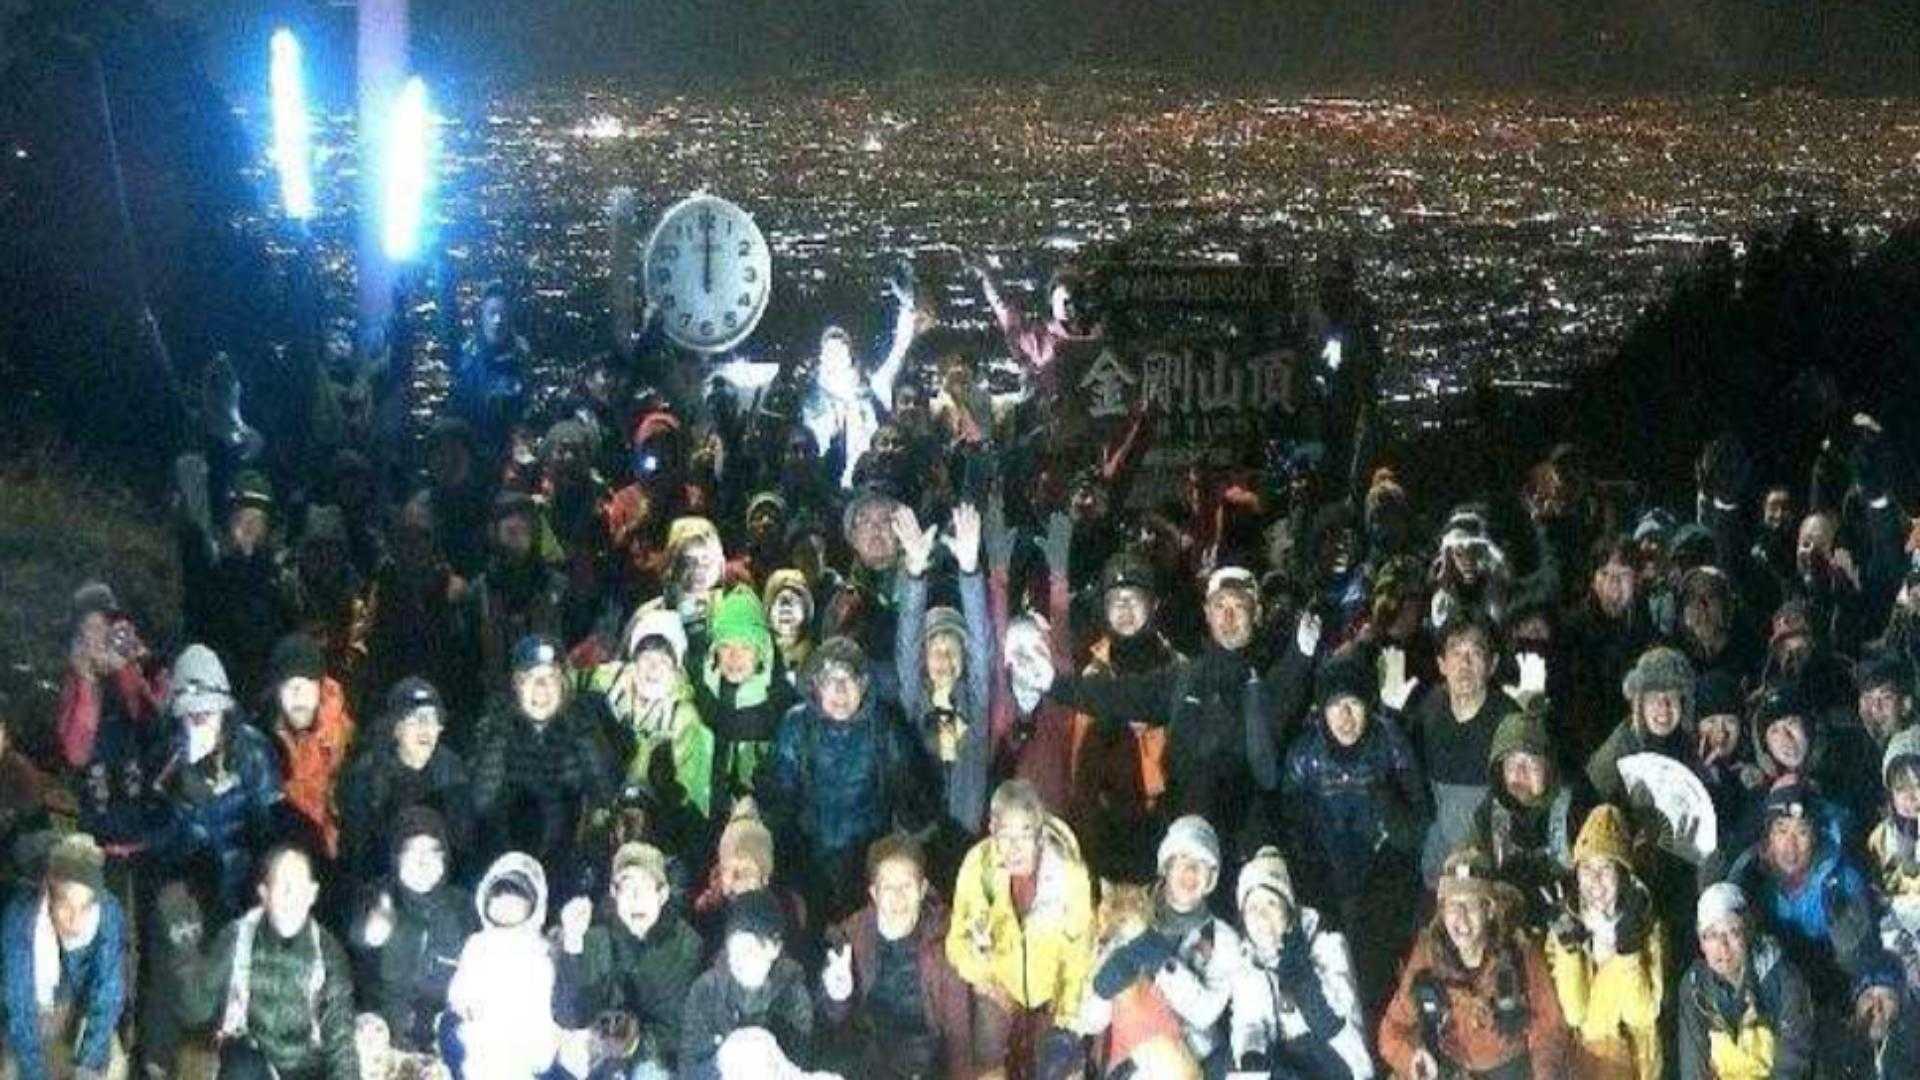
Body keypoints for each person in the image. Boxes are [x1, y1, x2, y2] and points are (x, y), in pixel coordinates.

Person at [1046, 567, 1286, 864]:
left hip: (1247, 857)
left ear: (1257, 613)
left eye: (1239, 606)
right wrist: (1052, 683)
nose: (1228, 617)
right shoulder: (1186, 678)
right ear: (1207, 613)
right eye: (1220, 606)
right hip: (1183, 854)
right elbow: (1120, 695)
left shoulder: (1277, 679)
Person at [1277, 647, 1427, 1017]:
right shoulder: (1304, 754)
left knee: (1376, 979)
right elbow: (1291, 826)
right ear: (1321, 711)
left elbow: (1415, 823)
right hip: (1326, 883)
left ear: (1368, 706)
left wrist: (1387, 802)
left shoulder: (1390, 742)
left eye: (1354, 704)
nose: (1345, 717)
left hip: (1380, 883)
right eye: (1335, 705)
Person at [762, 635, 934, 923]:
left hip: (867, 860)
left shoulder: (883, 727)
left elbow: (908, 792)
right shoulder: (796, 726)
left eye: (849, 680)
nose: (840, 690)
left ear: (863, 686)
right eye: (831, 681)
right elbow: (780, 798)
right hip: (808, 862)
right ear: (816, 686)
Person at [1378, 847, 1570, 1080]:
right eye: (1452, 906)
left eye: (1470, 905)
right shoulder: (1427, 958)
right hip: (1451, 1070)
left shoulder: (1519, 952)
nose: (1460, 918)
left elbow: (1549, 1029)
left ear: (1489, 910)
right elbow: (1391, 1031)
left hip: (1512, 1069)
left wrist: (1545, 1074)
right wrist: (1412, 1058)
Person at [946, 780, 1094, 1080]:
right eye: (1005, 835)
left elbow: (1079, 951)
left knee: (1059, 1065)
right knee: (988, 1057)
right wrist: (985, 974)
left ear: (1040, 834)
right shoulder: (979, 866)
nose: (1013, 849)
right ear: (992, 830)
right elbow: (957, 942)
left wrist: (1065, 1016)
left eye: (1024, 836)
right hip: (999, 983)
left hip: (1051, 992)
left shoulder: (1069, 875)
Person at [177, 845, 360, 1080]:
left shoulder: (328, 953)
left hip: (307, 1068)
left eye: (298, 888)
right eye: (282, 886)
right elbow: (196, 1010)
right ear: (264, 894)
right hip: (255, 1060)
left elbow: (340, 1040)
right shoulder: (236, 937)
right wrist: (186, 957)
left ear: (312, 894)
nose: (290, 897)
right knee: (239, 1067)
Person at [1084, 816, 1243, 1071]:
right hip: (1131, 1059)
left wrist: (1157, 956)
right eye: (1182, 859)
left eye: (1202, 864)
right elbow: (1089, 1021)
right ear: (1166, 867)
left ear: (1212, 878)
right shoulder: (1127, 911)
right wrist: (1104, 989)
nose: (1191, 871)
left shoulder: (1224, 940)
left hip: (1194, 1058)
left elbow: (1204, 1014)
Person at [817, 833, 979, 1080]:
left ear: (922, 889)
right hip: (866, 1057)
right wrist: (837, 997)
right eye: (888, 888)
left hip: (924, 1062)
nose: (898, 897)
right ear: (874, 893)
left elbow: (959, 1035)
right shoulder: (853, 934)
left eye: (906, 886)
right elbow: (829, 1020)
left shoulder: (946, 940)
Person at [148, 644, 285, 920]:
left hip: (246, 890)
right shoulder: (166, 759)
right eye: (192, 716)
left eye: (208, 713)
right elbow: (161, 846)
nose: (200, 721)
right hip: (190, 897)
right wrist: (186, 801)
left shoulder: (252, 751)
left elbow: (271, 832)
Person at [470, 634, 616, 888]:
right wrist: (499, 735)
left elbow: (606, 793)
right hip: (509, 866)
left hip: (568, 865)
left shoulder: (582, 723)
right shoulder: (495, 726)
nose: (541, 688)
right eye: (530, 678)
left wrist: (583, 733)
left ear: (563, 684)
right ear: (516, 685)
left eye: (550, 677)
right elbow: (481, 802)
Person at [555, 842, 703, 1079]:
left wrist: (632, 1043)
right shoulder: (593, 937)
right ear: (614, 894)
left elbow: (676, 1029)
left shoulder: (686, 946)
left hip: (653, 1059)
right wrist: (572, 945)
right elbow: (568, 1015)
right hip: (595, 1054)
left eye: (645, 887)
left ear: (662, 894)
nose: (636, 899)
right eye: (627, 887)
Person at [1227, 845, 1374, 1078]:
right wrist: (1251, 1056)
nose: (1261, 916)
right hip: (1287, 1063)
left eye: (1271, 903)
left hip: (1337, 1059)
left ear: (1288, 908)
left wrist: (1299, 972)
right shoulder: (1248, 961)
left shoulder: (1326, 943)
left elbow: (1333, 1022)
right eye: (1252, 907)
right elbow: (1249, 1022)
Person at [1544, 804, 1666, 1080]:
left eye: (1605, 868)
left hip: (1636, 1061)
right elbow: (1574, 1013)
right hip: (1588, 1062)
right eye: (1587, 868)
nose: (1595, 880)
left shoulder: (1646, 924)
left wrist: (1628, 953)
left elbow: (1642, 1013)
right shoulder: (1565, 923)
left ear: (1622, 874)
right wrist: (1570, 952)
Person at [1725, 782, 1874, 1000]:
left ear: (1816, 836)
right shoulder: (1750, 877)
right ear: (1769, 836)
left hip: (1827, 989)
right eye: (1782, 831)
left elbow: (1863, 962)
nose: (1790, 844)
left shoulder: (1841, 882)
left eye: (1802, 832)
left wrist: (1850, 942)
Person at [1, 834, 129, 1080]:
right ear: (49, 894)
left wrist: (87, 1067)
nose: (76, 920)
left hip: (80, 1005)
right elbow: (18, 1005)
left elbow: (108, 993)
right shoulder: (19, 919)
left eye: (85, 907)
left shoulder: (108, 913)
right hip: (36, 1006)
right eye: (66, 905)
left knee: (114, 1069)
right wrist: (35, 1074)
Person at [349, 807, 475, 1056]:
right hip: (381, 1041)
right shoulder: (375, 897)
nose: (422, 862)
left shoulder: (464, 909)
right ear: (397, 858)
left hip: (443, 1044)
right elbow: (353, 938)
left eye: (432, 852)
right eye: (412, 851)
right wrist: (367, 935)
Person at [337, 677, 476, 885]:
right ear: (396, 728)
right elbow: (356, 855)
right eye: (414, 719)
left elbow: (464, 849)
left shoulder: (454, 774)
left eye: (432, 719)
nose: (425, 728)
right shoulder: (367, 777)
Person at [1412, 616, 1519, 885]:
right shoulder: (1427, 711)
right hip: (1437, 865)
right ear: (1441, 664)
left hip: (1490, 867)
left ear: (1492, 664)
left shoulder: (1509, 721)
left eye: (1475, 653)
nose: (1465, 664)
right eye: (1456, 652)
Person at [1471, 698, 1587, 935]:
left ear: (1548, 767)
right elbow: (1473, 867)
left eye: (1530, 764)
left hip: (1570, 925)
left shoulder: (1578, 808)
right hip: (1509, 928)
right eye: (1511, 764)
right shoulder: (1488, 814)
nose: (1519, 774)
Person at [587, 608, 716, 821]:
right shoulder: (606, 681)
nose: (653, 668)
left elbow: (693, 797)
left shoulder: (684, 719)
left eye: (663, 661)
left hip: (654, 814)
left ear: (676, 668)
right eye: (646, 657)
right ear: (634, 660)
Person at [443, 852, 563, 1079]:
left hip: (525, 1044)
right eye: (498, 899)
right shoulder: (477, 944)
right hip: (482, 1040)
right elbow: (460, 984)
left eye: (516, 902)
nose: (506, 907)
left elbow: (548, 1000)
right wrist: (462, 1003)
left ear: (533, 906)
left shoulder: (541, 950)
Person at [1676, 882, 1814, 1079]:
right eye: (1712, 936)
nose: (1723, 947)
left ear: (1748, 931)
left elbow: (1793, 1061)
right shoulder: (1695, 987)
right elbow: (1693, 1065)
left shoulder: (1782, 979)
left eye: (1732, 932)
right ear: (1701, 943)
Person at [680, 889, 817, 1080]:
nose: (739, 961)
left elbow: (799, 1062)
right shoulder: (706, 991)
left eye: (750, 950)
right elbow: (689, 1068)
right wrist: (720, 1062)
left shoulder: (792, 994)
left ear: (774, 948)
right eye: (733, 950)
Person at [694, 587, 797, 808]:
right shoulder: (698, 697)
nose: (734, 657)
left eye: (745, 646)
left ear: (762, 651)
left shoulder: (784, 705)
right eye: (725, 646)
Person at [262, 633, 354, 862]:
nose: (298, 695)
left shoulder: (349, 742)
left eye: (306, 684)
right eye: (289, 685)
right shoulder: (260, 746)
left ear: (320, 689)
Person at [1588, 646, 1696, 805]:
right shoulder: (1617, 752)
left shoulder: (1692, 746)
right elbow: (1589, 804)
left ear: (1683, 703)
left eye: (1672, 696)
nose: (1664, 707)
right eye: (1653, 697)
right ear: (1640, 704)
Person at [449, 281, 533, 470]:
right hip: (471, 452)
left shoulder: (521, 357)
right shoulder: (467, 357)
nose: (498, 321)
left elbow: (525, 409)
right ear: (482, 316)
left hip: (508, 456)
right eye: (492, 313)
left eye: (503, 314)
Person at [1870, 727, 1920, 989]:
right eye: (1902, 789)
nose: (1913, 798)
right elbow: (1885, 904)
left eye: (1919, 785)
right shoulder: (1883, 839)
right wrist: (1906, 959)